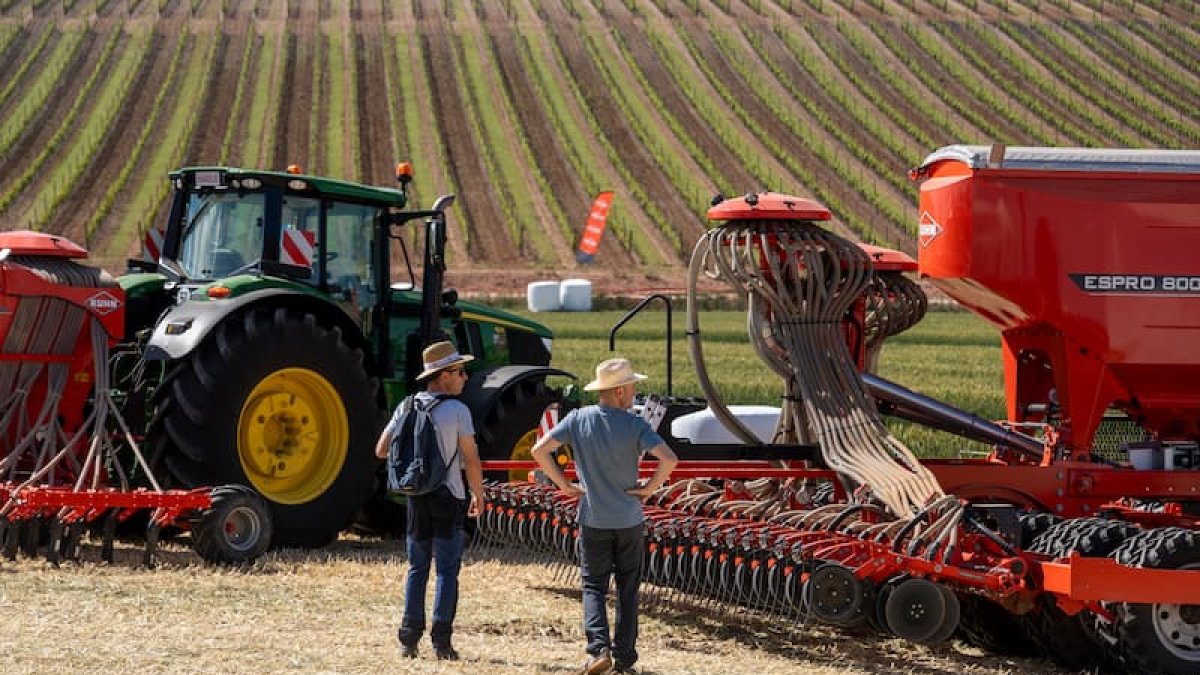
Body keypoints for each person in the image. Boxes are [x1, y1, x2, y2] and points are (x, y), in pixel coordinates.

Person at [531, 357, 678, 675]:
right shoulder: (635, 425)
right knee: (628, 589)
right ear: (621, 391)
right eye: (632, 387)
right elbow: (669, 459)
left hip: (593, 517)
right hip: (629, 519)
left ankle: (599, 649)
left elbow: (539, 450)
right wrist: (649, 488)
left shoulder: (578, 419)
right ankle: (624, 659)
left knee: (593, 586)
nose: (634, 392)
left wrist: (564, 484)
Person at [374, 340, 485, 661]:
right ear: (444, 375)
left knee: (417, 568)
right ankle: (442, 642)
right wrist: (479, 494)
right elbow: (471, 459)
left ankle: (408, 640)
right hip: (449, 497)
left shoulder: (406, 406)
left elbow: (381, 450)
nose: (465, 377)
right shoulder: (458, 411)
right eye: (460, 372)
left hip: (417, 496)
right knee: (447, 571)